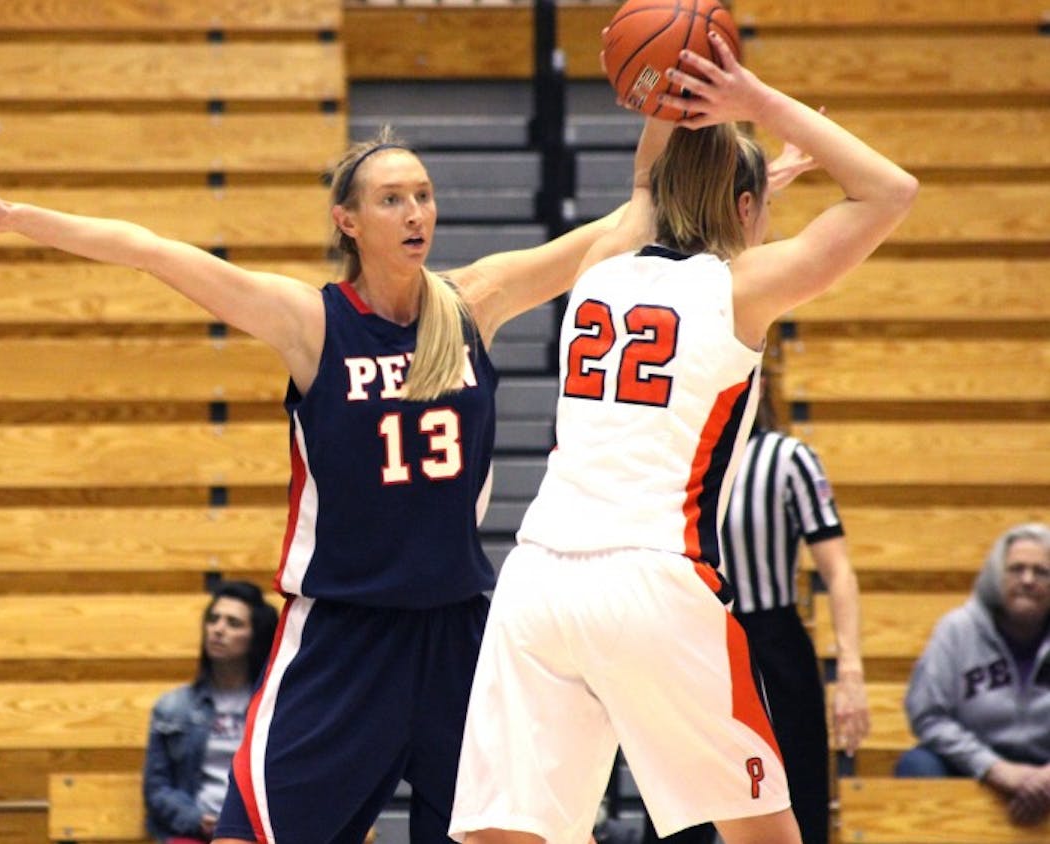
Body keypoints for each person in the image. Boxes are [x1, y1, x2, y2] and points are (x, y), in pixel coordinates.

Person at [0, 118, 665, 842]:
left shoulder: (470, 304)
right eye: (391, 200)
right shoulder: (311, 322)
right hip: (342, 636)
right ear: (348, 221)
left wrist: (671, 109)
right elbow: (151, 251)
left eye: (424, 195)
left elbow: (626, 222)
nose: (416, 213)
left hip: (457, 632)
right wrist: (12, 217)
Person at [449, 30, 916, 844]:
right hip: (652, 580)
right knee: (763, 834)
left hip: (536, 579)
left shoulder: (605, 257)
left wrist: (691, 97)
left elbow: (647, 181)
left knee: (510, 833)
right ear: (745, 209)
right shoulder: (744, 285)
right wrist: (753, 98)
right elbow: (889, 191)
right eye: (763, 204)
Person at [639, 386, 870, 844]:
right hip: (689, 634)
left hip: (773, 642)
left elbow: (838, 571)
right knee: (678, 803)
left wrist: (851, 671)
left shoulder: (788, 458)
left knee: (798, 796)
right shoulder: (667, 456)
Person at [897, 522, 1050, 827]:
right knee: (917, 764)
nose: (1028, 580)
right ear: (997, 576)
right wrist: (993, 768)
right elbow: (927, 715)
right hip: (971, 764)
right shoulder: (956, 630)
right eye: (1016, 569)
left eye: (1041, 572)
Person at [144, 581, 280, 843]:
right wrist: (195, 819)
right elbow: (157, 788)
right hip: (194, 832)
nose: (218, 629)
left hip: (255, 832)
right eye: (213, 619)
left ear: (255, 636)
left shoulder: (273, 709)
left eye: (233, 623)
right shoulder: (173, 708)